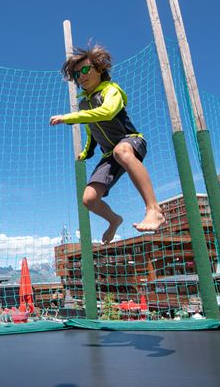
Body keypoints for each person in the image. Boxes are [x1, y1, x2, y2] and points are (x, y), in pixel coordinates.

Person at [49, 44, 165, 243]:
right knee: (89, 199)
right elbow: (91, 131)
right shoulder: (84, 103)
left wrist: (70, 117)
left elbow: (108, 112)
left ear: (100, 69)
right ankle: (114, 221)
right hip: (109, 155)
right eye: (76, 75)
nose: (81, 76)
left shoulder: (111, 90)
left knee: (121, 150)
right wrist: (86, 152)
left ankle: (154, 209)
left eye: (85, 70)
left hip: (131, 141)